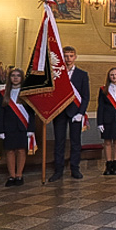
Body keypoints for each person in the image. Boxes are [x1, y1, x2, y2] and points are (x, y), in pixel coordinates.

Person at [50, 46, 89, 182]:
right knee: (59, 142)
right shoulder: (56, 74)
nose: (68, 59)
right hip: (60, 112)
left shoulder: (82, 74)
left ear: (75, 57)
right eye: (66, 56)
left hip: (75, 112)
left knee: (75, 142)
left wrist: (81, 113)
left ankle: (75, 168)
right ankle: (58, 170)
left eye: (71, 56)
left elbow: (86, 96)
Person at [0, 68, 35, 187]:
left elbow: (31, 113)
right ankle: (11, 176)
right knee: (10, 151)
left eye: (18, 75)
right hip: (8, 127)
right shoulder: (3, 93)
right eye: (13, 75)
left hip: (23, 126)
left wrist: (31, 129)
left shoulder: (26, 93)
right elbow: (0, 113)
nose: (15, 78)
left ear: (22, 78)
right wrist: (0, 130)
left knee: (21, 150)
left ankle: (19, 175)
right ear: (9, 78)